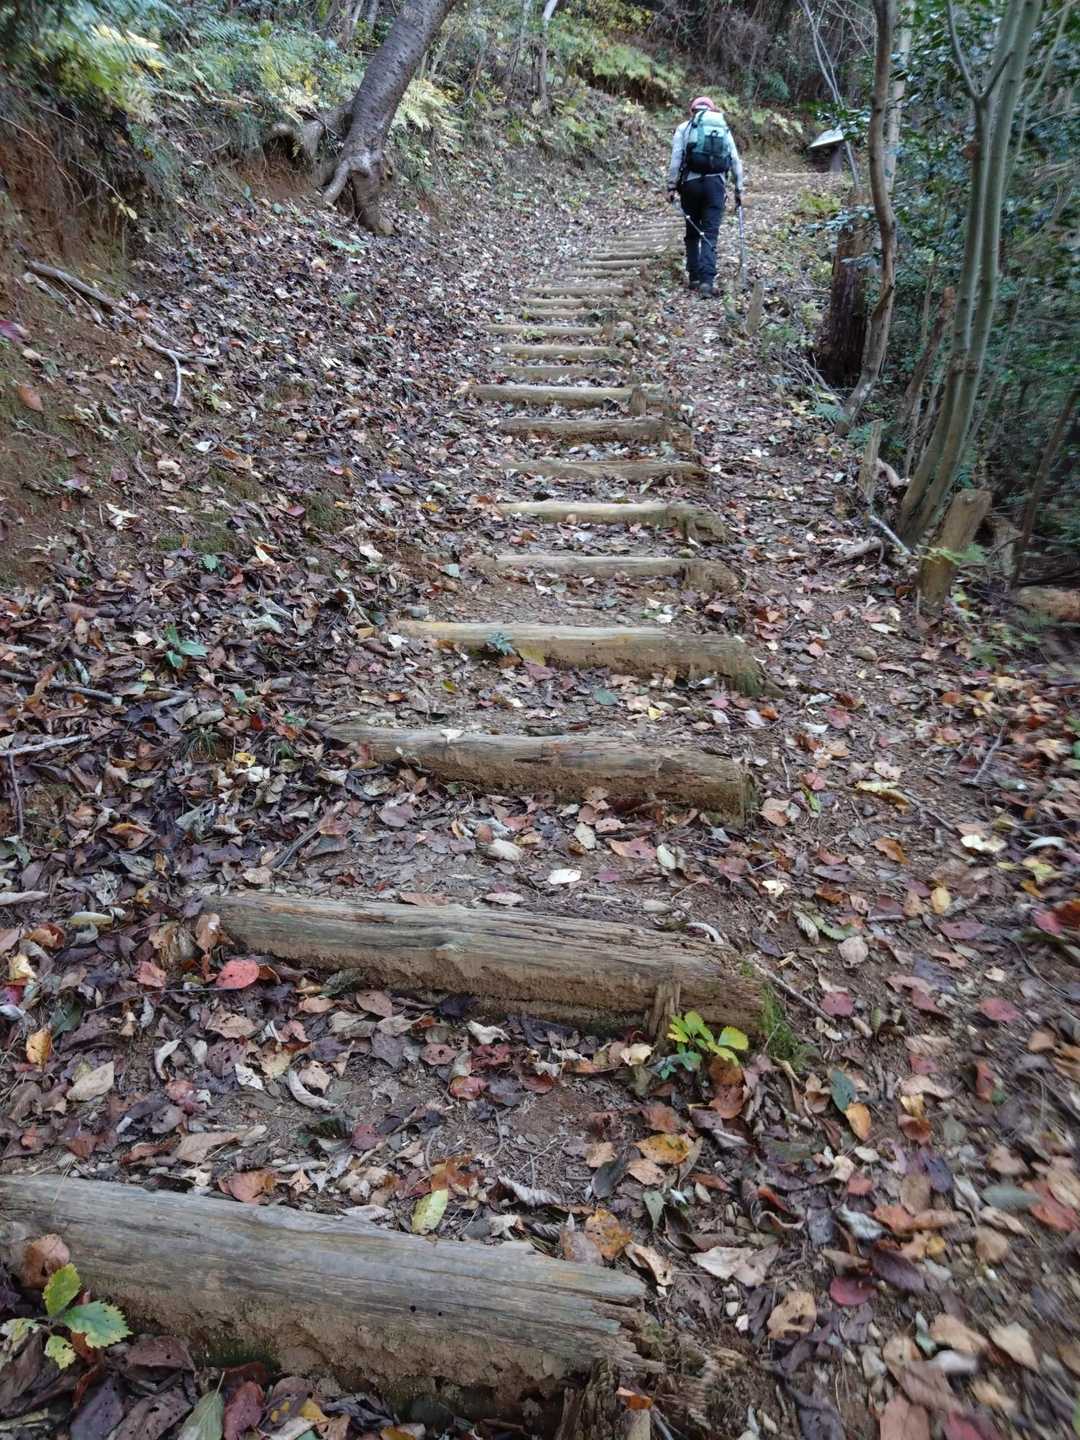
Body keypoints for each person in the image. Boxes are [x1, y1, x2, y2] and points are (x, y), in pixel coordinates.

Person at [666, 97, 744, 298]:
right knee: (710, 233)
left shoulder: (684, 128)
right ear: (712, 110)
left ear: (692, 111)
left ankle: (694, 277)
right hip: (715, 185)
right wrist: (739, 190)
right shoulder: (722, 127)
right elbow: (735, 160)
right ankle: (707, 282)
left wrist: (671, 186)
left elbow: (676, 158)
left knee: (692, 232)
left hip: (690, 185)